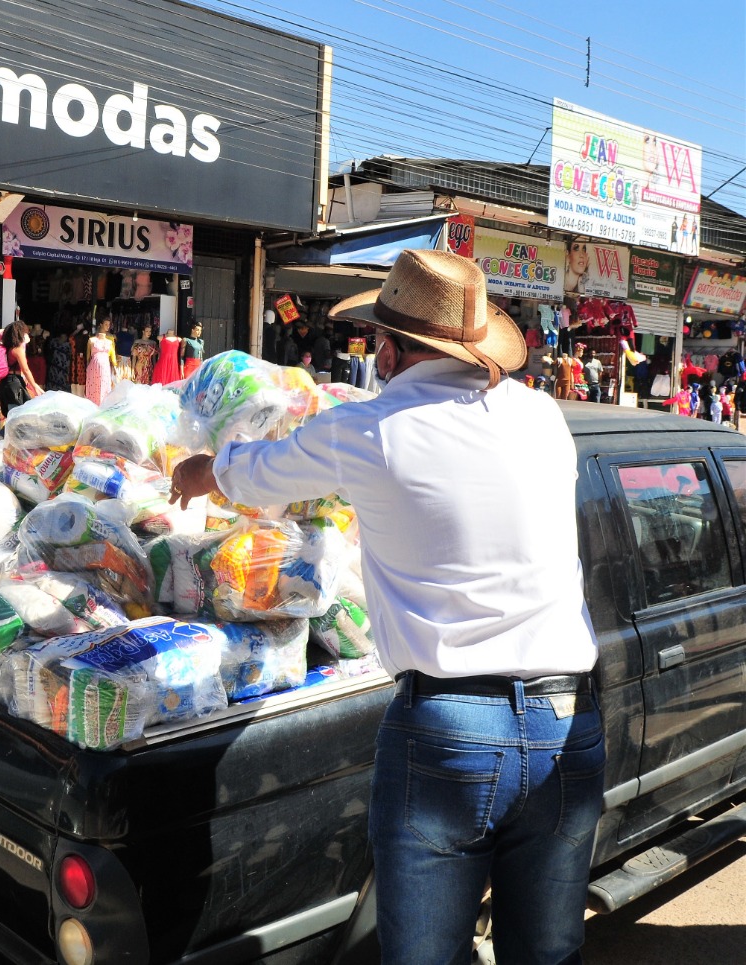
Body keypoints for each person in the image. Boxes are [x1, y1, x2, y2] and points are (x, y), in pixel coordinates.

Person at [169, 249, 602, 965]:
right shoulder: (544, 417)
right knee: (550, 952)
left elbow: (258, 474)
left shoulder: (370, 427)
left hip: (449, 732)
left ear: (393, 349)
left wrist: (203, 470)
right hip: (569, 722)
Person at [2, 318, 44, 409]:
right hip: (14, 381)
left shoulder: (9, 348)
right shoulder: (18, 349)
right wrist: (34, 386)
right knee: (17, 410)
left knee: (12, 410)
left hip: (7, 381)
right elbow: (26, 370)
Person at [84, 320, 117, 404]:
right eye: (106, 324)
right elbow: (88, 357)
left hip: (105, 367)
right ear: (101, 324)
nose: (108, 326)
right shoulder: (92, 340)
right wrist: (86, 368)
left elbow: (112, 355)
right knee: (93, 387)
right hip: (93, 367)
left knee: (104, 386)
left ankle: (103, 406)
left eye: (109, 324)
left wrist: (115, 368)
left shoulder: (109, 341)